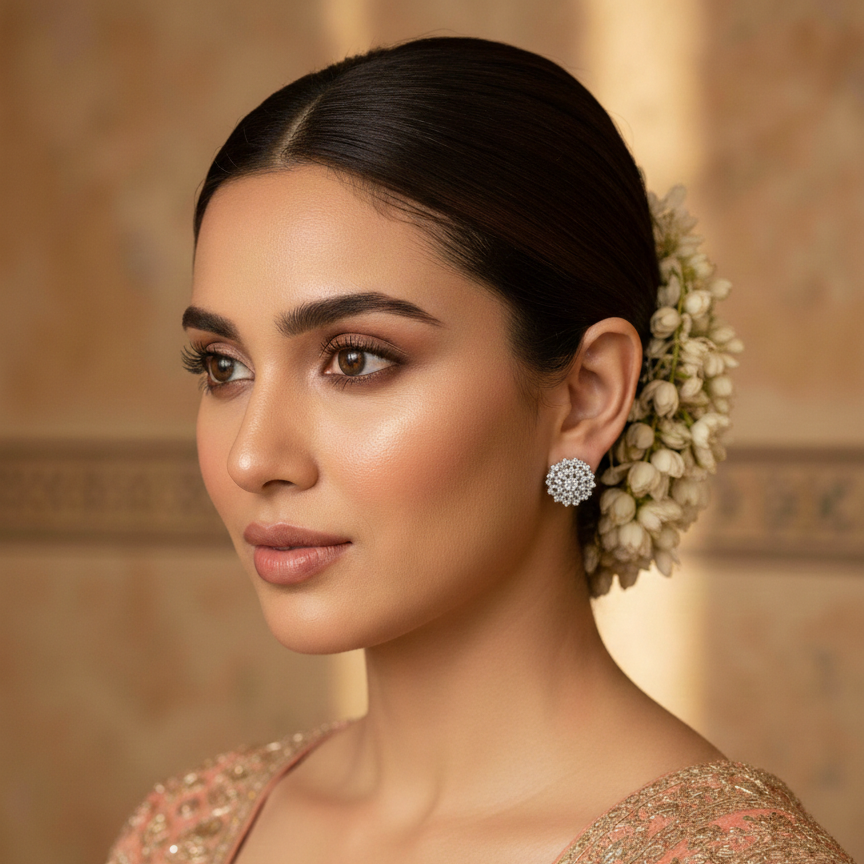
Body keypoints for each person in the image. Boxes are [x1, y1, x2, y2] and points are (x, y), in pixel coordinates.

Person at [107, 36, 852, 864]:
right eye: (223, 366)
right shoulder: (183, 832)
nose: (253, 459)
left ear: (587, 395)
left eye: (355, 359)